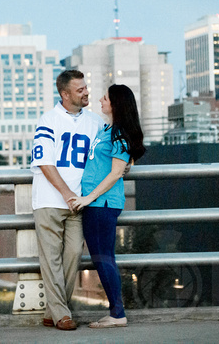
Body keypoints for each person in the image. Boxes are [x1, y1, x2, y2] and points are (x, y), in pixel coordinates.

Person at [31, 70, 104, 330]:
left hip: (79, 202)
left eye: (86, 87)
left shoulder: (95, 121)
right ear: (65, 94)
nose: (86, 92)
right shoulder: (48, 120)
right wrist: (65, 193)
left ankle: (53, 311)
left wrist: (124, 164)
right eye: (80, 89)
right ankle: (62, 314)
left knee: (73, 254)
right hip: (50, 199)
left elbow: (111, 150)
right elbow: (44, 161)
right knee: (51, 259)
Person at [69, 84, 145, 328]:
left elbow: (114, 174)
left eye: (105, 97)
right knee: (102, 258)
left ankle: (117, 313)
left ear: (116, 104)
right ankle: (115, 311)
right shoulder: (106, 130)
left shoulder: (119, 134)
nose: (100, 99)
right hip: (95, 204)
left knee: (104, 258)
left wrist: (88, 198)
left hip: (102, 204)